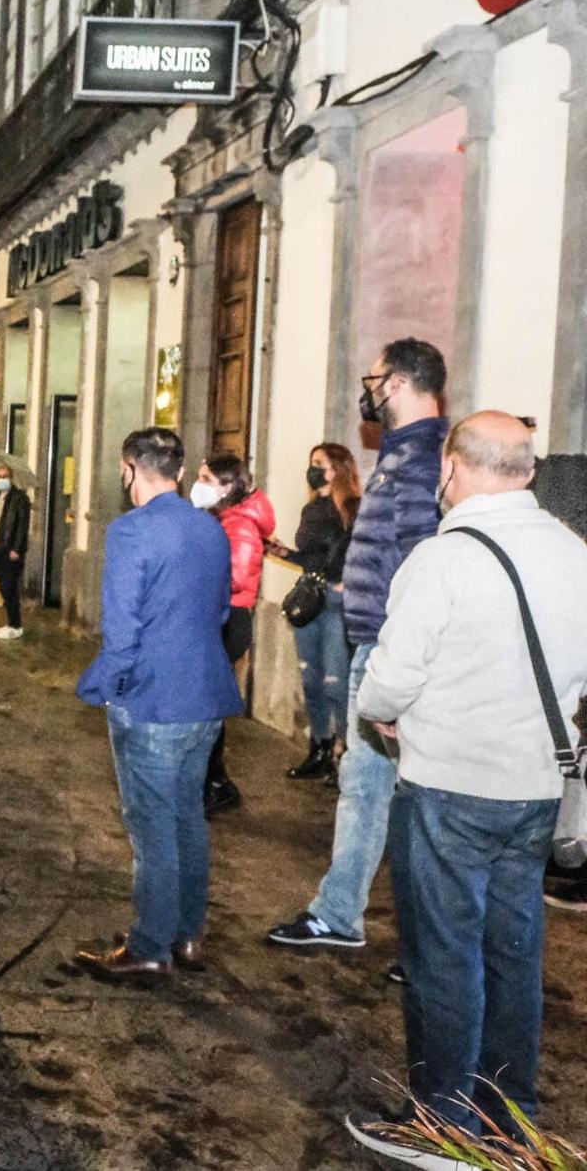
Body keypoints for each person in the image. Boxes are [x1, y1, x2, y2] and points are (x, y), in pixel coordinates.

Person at [343, 413, 587, 1156]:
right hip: (536, 789)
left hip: (450, 787)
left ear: (453, 469)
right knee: (513, 955)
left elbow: (389, 680)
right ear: (527, 470)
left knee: (443, 958)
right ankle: (508, 1119)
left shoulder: (443, 558)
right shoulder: (574, 554)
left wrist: (380, 715)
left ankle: (442, 1126)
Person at [269, 337, 449, 951]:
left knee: (407, 800)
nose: (367, 392)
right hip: (377, 647)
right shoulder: (403, 456)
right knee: (366, 788)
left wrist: (399, 667)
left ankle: (425, 943)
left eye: (374, 379)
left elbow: (426, 570)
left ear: (396, 382)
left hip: (393, 653)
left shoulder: (422, 459)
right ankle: (344, 916)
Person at [73, 428, 243, 981]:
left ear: (129, 470)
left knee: (151, 826)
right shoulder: (211, 529)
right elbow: (220, 611)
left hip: (152, 696)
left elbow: (121, 629)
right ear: (176, 469)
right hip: (206, 693)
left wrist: (104, 683)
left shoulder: (131, 532)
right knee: (187, 815)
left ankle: (149, 945)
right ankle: (185, 933)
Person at [266, 444, 361, 781]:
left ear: (337, 468)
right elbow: (311, 557)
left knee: (337, 682)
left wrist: (345, 585)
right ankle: (318, 749)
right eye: (312, 464)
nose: (314, 470)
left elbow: (360, 555)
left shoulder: (354, 507)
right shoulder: (312, 509)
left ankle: (345, 753)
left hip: (336, 604)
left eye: (320, 464)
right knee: (311, 680)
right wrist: (281, 552)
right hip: (310, 600)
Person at [192, 453, 274, 817]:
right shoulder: (224, 517)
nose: (199, 484)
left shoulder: (239, 525)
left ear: (226, 486)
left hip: (230, 618)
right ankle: (215, 780)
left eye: (206, 478)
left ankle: (216, 783)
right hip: (223, 615)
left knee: (209, 704)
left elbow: (235, 578)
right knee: (208, 703)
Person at [0, 464, 31, 639]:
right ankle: (10, 622)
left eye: (4, 476)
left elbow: (22, 525)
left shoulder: (19, 498)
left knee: (9, 587)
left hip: (10, 550)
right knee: (4, 587)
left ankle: (16, 625)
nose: (1, 480)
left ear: (11, 478)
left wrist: (16, 548)